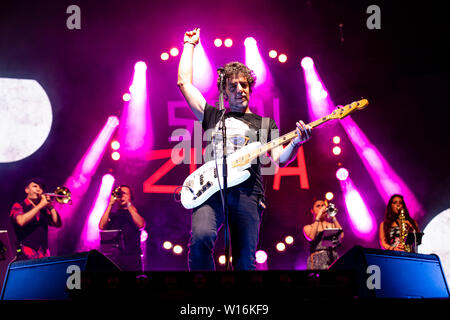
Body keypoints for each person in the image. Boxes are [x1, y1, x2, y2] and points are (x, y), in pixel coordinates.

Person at [177, 28, 312, 270]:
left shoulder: (264, 124)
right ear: (225, 93)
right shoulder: (213, 116)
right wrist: (189, 45)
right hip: (211, 190)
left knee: (244, 261)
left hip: (248, 194)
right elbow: (184, 83)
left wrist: (295, 142)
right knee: (201, 238)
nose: (241, 89)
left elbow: (281, 159)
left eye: (244, 84)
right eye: (234, 86)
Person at [10, 178, 62, 260]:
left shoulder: (43, 210)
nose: (38, 189)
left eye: (41, 188)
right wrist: (41, 205)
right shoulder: (19, 206)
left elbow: (57, 224)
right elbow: (21, 221)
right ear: (27, 190)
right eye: (35, 186)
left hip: (44, 254)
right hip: (26, 254)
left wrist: (50, 206)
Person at [99, 185, 146, 271]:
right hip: (115, 258)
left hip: (132, 258)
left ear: (130, 197)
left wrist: (129, 204)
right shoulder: (113, 215)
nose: (122, 196)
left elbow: (141, 225)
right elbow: (101, 226)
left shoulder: (136, 212)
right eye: (120, 194)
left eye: (125, 194)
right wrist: (110, 204)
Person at [303, 198, 344, 269]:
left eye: (323, 205)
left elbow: (341, 235)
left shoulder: (331, 225)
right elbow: (311, 237)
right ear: (312, 211)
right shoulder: (308, 227)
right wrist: (318, 216)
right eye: (318, 206)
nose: (321, 207)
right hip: (317, 259)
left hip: (332, 257)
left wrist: (333, 217)